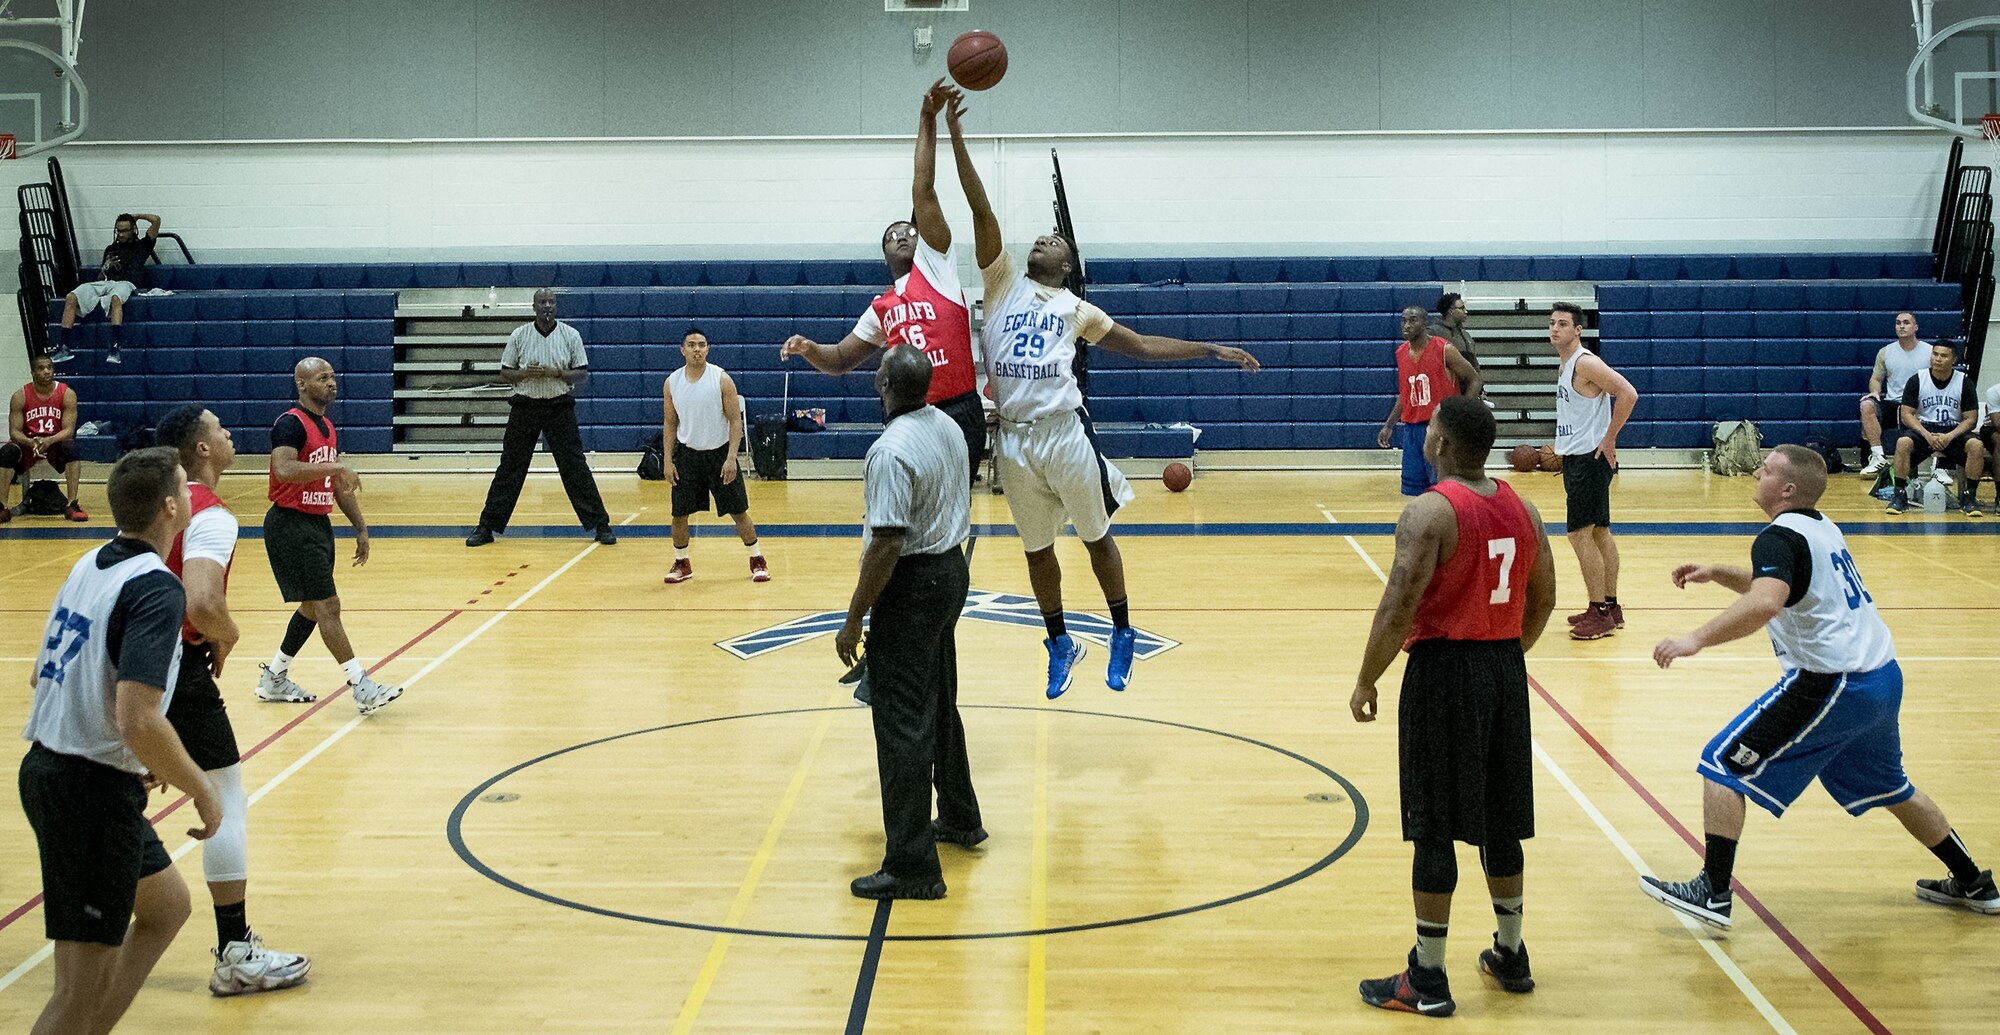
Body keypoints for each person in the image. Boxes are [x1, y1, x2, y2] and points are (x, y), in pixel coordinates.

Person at [942, 84, 1260, 698]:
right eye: (1039, 237)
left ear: (1067, 266)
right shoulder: (1001, 280)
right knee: (1037, 553)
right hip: (1011, 440)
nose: (1040, 240)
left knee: (1095, 538)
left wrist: (1209, 348)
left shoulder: (1077, 309)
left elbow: (1140, 345)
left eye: (1053, 243)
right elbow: (980, 209)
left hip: (1063, 432)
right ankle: (1060, 639)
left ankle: (1122, 630)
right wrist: (957, 135)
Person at [1642, 445, 1997, 927]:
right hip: (1881, 677)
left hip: (1834, 683)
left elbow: (1768, 602)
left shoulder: (1777, 537)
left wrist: (1695, 639)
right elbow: (1784, 585)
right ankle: (1975, 883)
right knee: (1892, 787)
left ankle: (1713, 892)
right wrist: (1721, 572)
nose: (1755, 472)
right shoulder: (1820, 527)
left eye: (1764, 470)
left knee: (1721, 763)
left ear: (1786, 489)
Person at [1349, 396, 1557, 1018]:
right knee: (1501, 817)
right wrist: (1503, 651)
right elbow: (1544, 601)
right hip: (1503, 669)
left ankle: (1429, 978)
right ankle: (1511, 953)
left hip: (1444, 672)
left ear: (1436, 441)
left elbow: (1397, 607)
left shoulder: (1429, 512)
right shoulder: (1527, 508)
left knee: (1434, 823)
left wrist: (1366, 679)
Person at [18, 446, 221, 1035]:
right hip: (87, 793)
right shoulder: (157, 588)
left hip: (61, 772)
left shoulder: (91, 563)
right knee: (76, 991)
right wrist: (201, 788)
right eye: (185, 487)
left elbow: (42, 675)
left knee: (166, 908)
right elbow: (137, 718)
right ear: (169, 507)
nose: (191, 496)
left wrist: (136, 747)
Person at [152, 404, 313, 995]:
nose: (228, 435)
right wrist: (228, 634)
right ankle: (236, 950)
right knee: (224, 798)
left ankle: (87, 926)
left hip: (129, 666)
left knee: (110, 796)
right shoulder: (209, 515)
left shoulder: (154, 506)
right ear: (200, 449)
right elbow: (200, 602)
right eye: (218, 429)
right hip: (173, 668)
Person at [779, 81, 988, 486]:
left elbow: (922, 189)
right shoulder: (882, 307)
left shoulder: (938, 268)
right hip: (905, 414)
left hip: (958, 408)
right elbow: (839, 360)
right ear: (884, 255)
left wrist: (927, 119)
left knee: (952, 512)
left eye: (910, 230)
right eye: (894, 234)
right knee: (906, 513)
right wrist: (808, 349)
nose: (905, 235)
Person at [835, 345, 983, 901]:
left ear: (883, 384)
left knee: (901, 724)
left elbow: (887, 542)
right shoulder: (946, 425)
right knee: (940, 701)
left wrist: (854, 619)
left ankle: (913, 866)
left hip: (913, 584)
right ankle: (962, 817)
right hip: (951, 574)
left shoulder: (889, 450)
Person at [257, 357, 403, 713]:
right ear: (302, 385)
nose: (332, 383)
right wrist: (336, 465)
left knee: (312, 607)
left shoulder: (328, 428)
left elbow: (338, 485)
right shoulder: (291, 424)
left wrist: (360, 525)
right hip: (290, 524)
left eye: (333, 377)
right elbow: (284, 468)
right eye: (323, 378)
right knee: (328, 606)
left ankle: (274, 676)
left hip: (317, 524)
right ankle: (361, 685)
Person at [465, 288, 617, 547]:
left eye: (551, 302)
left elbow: (581, 374)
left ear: (556, 306)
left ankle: (600, 525)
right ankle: (486, 526)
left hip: (560, 407)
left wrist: (557, 372)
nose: (547, 306)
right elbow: (505, 373)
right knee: (510, 468)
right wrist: (525, 374)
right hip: (525, 406)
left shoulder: (571, 335)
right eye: (542, 302)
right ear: (533, 306)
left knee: (575, 468)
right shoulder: (519, 335)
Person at [1549, 302, 1638, 641]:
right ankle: (1610, 607)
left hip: (1590, 459)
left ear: (1578, 330)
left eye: (1563, 324)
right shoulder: (1567, 363)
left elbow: (1628, 393)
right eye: (1552, 323)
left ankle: (1599, 611)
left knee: (1579, 534)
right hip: (1580, 458)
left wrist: (1610, 438)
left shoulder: (1585, 362)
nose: (1555, 328)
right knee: (1599, 532)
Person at [661, 328, 767, 584]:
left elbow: (734, 422)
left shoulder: (721, 379)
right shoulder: (672, 382)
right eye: (692, 345)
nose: (697, 349)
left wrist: (732, 458)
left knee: (738, 511)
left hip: (719, 456)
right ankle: (682, 562)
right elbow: (669, 423)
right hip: (687, 457)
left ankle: (757, 558)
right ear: (682, 350)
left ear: (708, 349)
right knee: (679, 514)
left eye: (702, 344)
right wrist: (667, 460)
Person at [1379, 306, 1483, 497]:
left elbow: (1474, 379)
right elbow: (1406, 394)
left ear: (1424, 324)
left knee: (1443, 491)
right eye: (1404, 321)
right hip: (1411, 431)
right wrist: (1389, 425)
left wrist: (1461, 412)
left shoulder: (1445, 349)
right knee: (1414, 494)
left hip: (1439, 428)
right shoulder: (1401, 353)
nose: (1407, 325)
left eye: (1412, 320)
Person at [1883, 341, 1983, 516]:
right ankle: (1899, 496)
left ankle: (1970, 498)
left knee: (1976, 446)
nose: (1938, 359)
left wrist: (1949, 436)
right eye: (1935, 354)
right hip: (1925, 428)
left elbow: (1971, 419)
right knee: (1903, 442)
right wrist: (1927, 435)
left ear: (1954, 359)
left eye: (1943, 356)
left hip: (1953, 429)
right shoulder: (1917, 379)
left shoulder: (1964, 382)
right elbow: (1906, 414)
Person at [56, 212, 162, 365]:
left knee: (115, 298)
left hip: (127, 283)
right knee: (72, 296)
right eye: (118, 230)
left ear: (134, 230)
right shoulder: (110, 249)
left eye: (124, 230)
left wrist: (137, 216)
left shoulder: (143, 245)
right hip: (106, 282)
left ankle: (114, 346)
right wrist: (106, 267)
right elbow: (100, 277)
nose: (120, 234)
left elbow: (156, 220)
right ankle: (63, 346)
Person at [1, 353, 88, 522]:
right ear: (33, 373)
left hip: (55, 443)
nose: (47, 371)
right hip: (28, 444)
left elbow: (69, 430)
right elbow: (14, 432)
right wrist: (30, 441)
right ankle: (2, 506)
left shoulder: (67, 393)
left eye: (50, 367)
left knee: (72, 447)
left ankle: (72, 504)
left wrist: (49, 440)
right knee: (7, 451)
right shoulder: (20, 396)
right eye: (41, 368)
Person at [1858, 312, 1931, 477]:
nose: (1902, 326)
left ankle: (1938, 467)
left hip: (1918, 406)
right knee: (1866, 405)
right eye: (1898, 323)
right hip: (1893, 403)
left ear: (1915, 327)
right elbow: (1876, 378)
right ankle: (1878, 457)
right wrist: (1875, 391)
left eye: (1906, 322)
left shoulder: (1929, 352)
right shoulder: (1885, 352)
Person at [1428, 292, 1480, 370]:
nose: (1466, 311)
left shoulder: (1466, 336)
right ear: (1451, 311)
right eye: (1461, 308)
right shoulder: (1433, 332)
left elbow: (1475, 366)